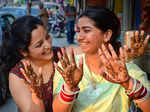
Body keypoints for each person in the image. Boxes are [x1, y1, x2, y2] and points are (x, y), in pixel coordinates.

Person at [53, 6, 150, 112]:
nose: (79, 37)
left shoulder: (128, 71)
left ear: (107, 35)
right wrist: (69, 88)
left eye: (86, 30)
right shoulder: (69, 68)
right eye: (78, 31)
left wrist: (129, 83)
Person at [0, 16, 83, 112]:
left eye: (47, 37)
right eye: (39, 45)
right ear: (23, 51)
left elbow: (86, 50)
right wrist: (37, 97)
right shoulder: (18, 76)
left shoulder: (61, 55)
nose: (48, 45)